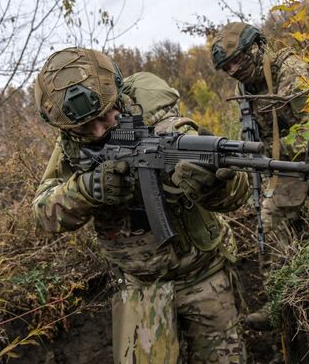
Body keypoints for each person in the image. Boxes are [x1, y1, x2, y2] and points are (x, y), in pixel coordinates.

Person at [32, 47, 250, 363]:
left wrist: (214, 185)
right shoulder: (71, 145)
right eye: (83, 129)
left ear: (117, 95)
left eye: (104, 116)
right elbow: (42, 214)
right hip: (138, 287)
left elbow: (237, 195)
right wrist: (87, 189)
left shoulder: (164, 123)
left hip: (204, 273)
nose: (97, 131)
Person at [211, 22, 309, 331]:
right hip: (282, 166)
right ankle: (281, 299)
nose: (233, 70)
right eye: (227, 67)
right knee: (272, 220)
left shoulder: (291, 71)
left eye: (236, 61)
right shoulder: (247, 86)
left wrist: (266, 154)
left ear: (256, 48)